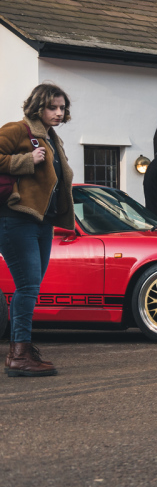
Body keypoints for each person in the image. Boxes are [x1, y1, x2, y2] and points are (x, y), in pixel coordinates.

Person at [0, 83, 75, 377]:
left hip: (42, 221)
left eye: (62, 107)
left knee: (31, 287)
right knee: (28, 286)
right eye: (52, 107)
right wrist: (24, 161)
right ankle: (20, 354)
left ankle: (19, 352)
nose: (59, 113)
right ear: (37, 107)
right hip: (15, 218)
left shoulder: (51, 138)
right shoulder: (18, 130)